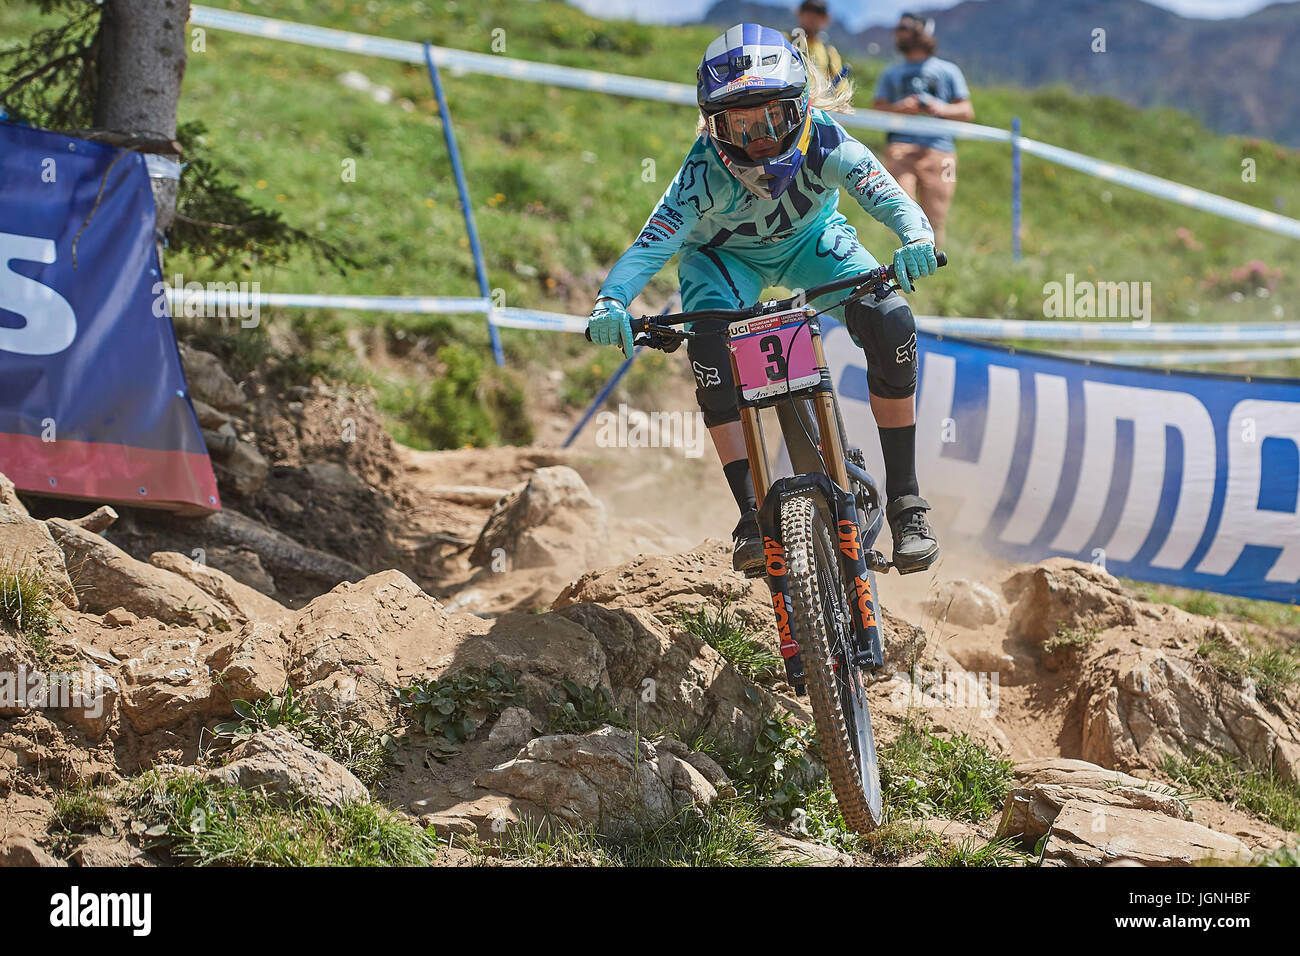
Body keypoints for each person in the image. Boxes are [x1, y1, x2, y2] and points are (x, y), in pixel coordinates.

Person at [586, 23, 940, 576]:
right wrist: (612, 301)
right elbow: (651, 245)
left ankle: (907, 504)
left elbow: (888, 197)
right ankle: (751, 516)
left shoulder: (826, 140)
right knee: (708, 348)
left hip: (812, 244)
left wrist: (917, 238)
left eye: (772, 117)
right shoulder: (700, 170)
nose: (757, 137)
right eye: (738, 122)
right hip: (725, 261)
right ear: (712, 124)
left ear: (798, 108)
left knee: (890, 319)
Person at [871, 13, 973, 250]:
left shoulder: (949, 71)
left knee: (937, 217)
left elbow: (967, 111)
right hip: (899, 151)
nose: (898, 33)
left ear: (922, 31)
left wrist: (940, 107)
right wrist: (900, 108)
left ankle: (935, 272)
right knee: (901, 212)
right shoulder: (890, 72)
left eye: (904, 27)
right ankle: (898, 266)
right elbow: (877, 109)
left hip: (942, 153)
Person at [794, 0, 850, 97]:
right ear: (799, 13)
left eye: (819, 11)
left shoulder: (830, 52)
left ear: (826, 18)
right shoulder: (783, 41)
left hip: (817, 108)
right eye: (807, 9)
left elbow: (842, 88)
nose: (812, 15)